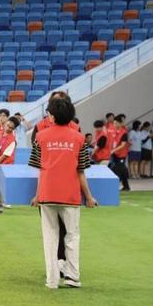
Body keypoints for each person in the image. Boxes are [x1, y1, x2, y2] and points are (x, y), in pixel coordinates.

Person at [29, 97, 97, 289]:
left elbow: (40, 169)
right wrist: (89, 197)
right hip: (71, 196)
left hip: (47, 194)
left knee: (50, 238)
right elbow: (81, 172)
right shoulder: (79, 138)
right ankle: (72, 277)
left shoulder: (40, 137)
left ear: (51, 116)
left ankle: (52, 280)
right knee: (72, 236)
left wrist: (37, 195)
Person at [0, 116, 19, 213]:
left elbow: (5, 155)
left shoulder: (12, 140)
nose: (8, 128)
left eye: (11, 127)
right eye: (8, 125)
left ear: (13, 129)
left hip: (4, 166)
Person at [109, 116, 130, 191]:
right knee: (120, 170)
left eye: (116, 123)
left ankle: (117, 186)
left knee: (119, 169)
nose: (114, 124)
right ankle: (126, 186)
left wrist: (113, 150)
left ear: (120, 123)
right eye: (114, 123)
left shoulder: (124, 133)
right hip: (114, 154)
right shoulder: (113, 131)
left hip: (121, 155)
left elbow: (123, 145)